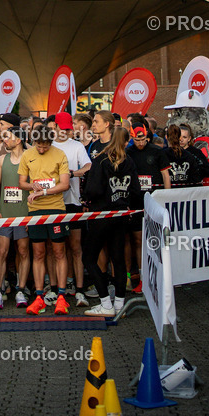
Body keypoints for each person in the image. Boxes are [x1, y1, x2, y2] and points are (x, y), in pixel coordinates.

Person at [82, 129, 141, 316]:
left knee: (89, 258)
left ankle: (106, 302)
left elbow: (93, 189)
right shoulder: (129, 161)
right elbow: (136, 190)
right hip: (122, 214)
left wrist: (88, 200)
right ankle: (120, 304)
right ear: (126, 141)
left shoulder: (102, 160)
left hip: (102, 214)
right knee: (118, 260)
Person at [18, 124, 71, 315]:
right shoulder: (27, 155)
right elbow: (21, 182)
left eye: (45, 146)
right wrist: (33, 186)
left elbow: (65, 184)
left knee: (59, 252)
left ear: (51, 142)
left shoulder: (60, 154)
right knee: (38, 253)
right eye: (38, 146)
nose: (41, 149)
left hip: (56, 208)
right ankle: (39, 296)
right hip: (35, 210)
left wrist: (44, 191)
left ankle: (62, 296)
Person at [125, 118, 171, 292]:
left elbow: (166, 175)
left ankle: (159, 275)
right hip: (136, 202)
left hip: (155, 201)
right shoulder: (129, 152)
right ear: (132, 138)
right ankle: (142, 277)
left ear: (147, 136)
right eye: (137, 140)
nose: (140, 142)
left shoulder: (157, 152)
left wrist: (166, 198)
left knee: (156, 239)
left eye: (143, 139)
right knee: (137, 240)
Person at [0, 123, 31, 308]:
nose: (4, 139)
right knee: (2, 251)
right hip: (5, 213)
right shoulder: (1, 159)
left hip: (24, 213)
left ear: (18, 139)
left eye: (7, 136)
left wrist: (32, 214)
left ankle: (21, 290)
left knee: (23, 251)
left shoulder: (29, 159)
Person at [52, 112, 91, 308]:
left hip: (73, 202)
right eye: (62, 128)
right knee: (58, 249)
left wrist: (73, 173)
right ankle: (60, 286)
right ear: (55, 127)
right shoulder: (49, 146)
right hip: (53, 203)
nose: (65, 131)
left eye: (69, 128)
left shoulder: (77, 146)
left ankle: (80, 289)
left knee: (76, 247)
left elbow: (88, 166)